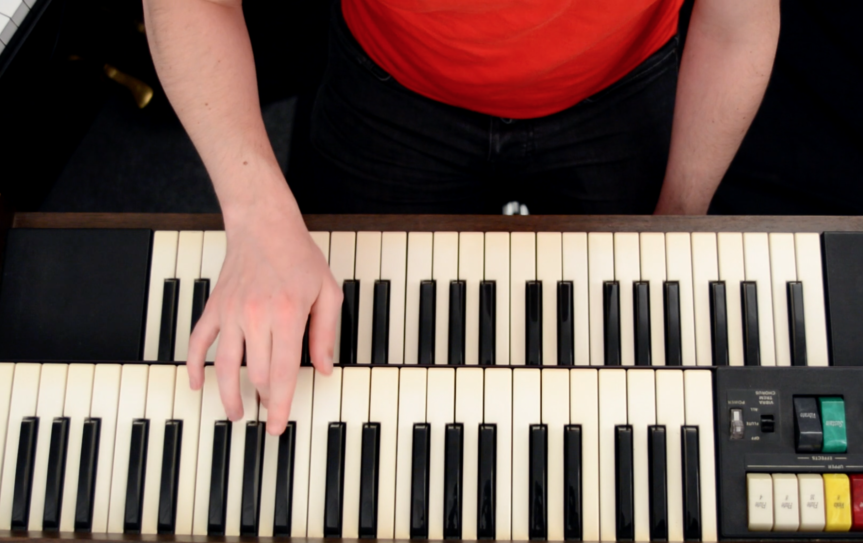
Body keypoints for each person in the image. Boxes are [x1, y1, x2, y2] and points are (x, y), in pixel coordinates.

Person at [142, 0, 780, 435]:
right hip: (390, 89)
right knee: (349, 357)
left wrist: (677, 222)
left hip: (619, 90)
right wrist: (256, 215)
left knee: (626, 352)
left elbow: (737, 20)